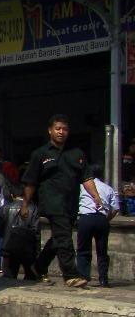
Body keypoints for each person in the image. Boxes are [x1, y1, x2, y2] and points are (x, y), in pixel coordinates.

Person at [21, 114, 103, 289]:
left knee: (58, 238)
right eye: (58, 128)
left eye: (64, 129)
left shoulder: (77, 153)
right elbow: (30, 182)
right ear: (50, 130)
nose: (61, 132)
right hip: (52, 202)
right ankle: (70, 275)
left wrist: (96, 196)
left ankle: (38, 267)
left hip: (71, 203)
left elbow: (86, 178)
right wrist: (25, 204)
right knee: (64, 237)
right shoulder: (40, 154)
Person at [76, 164, 120, 287]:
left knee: (83, 249)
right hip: (102, 219)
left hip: (86, 218)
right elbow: (116, 208)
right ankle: (103, 279)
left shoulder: (82, 186)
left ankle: (83, 276)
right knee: (102, 251)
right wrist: (107, 219)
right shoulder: (108, 188)